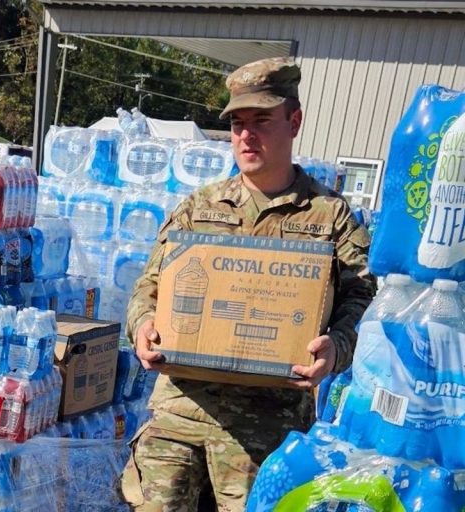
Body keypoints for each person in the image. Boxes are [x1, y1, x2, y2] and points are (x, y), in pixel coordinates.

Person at [119, 57, 377, 511]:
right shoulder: (198, 207)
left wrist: (336, 348)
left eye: (261, 121)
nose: (246, 136)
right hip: (178, 414)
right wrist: (142, 326)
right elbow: (150, 286)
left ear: (294, 122)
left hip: (265, 430)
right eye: (237, 124)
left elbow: (364, 301)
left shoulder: (330, 216)